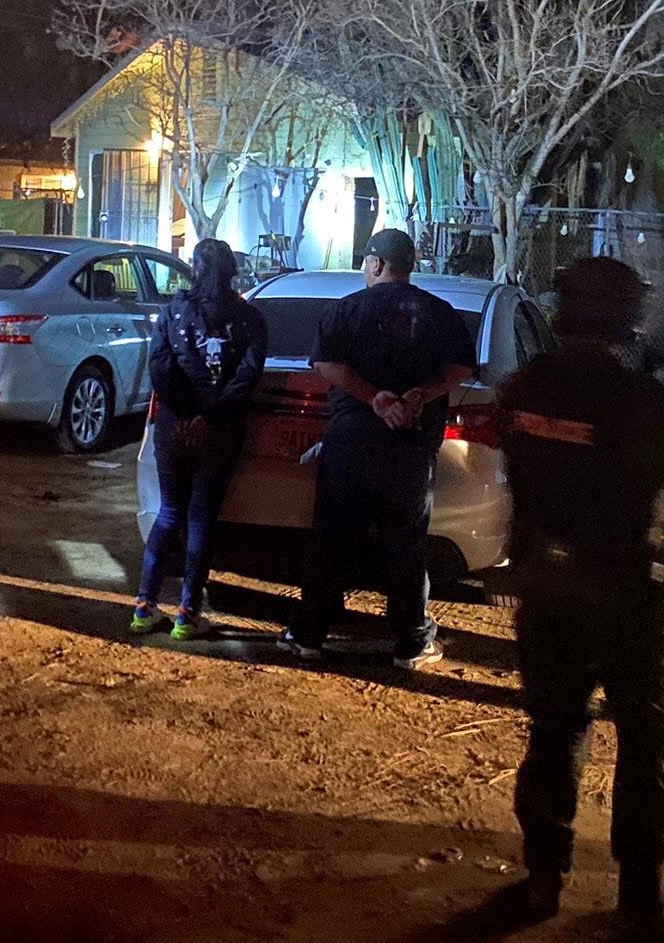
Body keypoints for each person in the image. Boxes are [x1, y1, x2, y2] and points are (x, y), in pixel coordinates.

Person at [491, 258, 664, 943]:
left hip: (548, 585)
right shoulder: (643, 400)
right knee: (645, 733)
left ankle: (542, 878)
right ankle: (640, 897)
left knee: (555, 728)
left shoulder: (525, 388)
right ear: (628, 318)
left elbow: (514, 461)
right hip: (627, 593)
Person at [281, 229, 476, 669]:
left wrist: (374, 399)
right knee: (406, 545)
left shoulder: (344, 309)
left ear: (375, 264)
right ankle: (411, 642)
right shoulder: (439, 313)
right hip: (410, 446)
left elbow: (326, 363)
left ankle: (308, 634)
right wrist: (419, 396)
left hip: (350, 443)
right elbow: (461, 366)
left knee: (332, 539)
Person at [133, 238, 267, 640]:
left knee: (169, 512)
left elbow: (161, 369)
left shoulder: (172, 313)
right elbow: (247, 377)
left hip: (173, 428)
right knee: (201, 518)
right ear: (232, 272)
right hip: (220, 430)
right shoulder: (249, 319)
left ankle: (144, 606)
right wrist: (208, 417)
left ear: (194, 268)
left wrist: (184, 414)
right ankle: (187, 613)